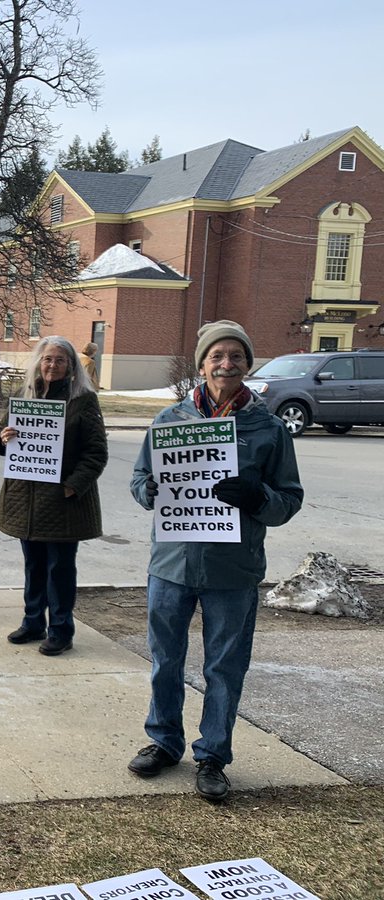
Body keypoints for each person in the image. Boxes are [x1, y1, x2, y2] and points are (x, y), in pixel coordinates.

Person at [128, 320, 302, 802]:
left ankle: (212, 756)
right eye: (217, 356)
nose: (226, 364)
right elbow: (140, 478)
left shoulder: (267, 429)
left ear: (247, 364)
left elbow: (288, 499)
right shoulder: (169, 421)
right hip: (172, 564)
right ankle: (163, 742)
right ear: (202, 364)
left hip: (234, 569)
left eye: (236, 356)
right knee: (165, 660)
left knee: (224, 666)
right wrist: (151, 490)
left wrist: (256, 496)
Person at [0, 336, 108, 656]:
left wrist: (75, 484)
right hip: (26, 500)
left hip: (63, 502)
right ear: (38, 363)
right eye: (47, 359)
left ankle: (60, 629)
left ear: (71, 365)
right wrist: (4, 439)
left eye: (59, 360)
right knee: (33, 565)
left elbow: (96, 453)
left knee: (60, 568)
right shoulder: (25, 396)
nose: (52, 365)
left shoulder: (83, 400)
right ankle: (33, 622)